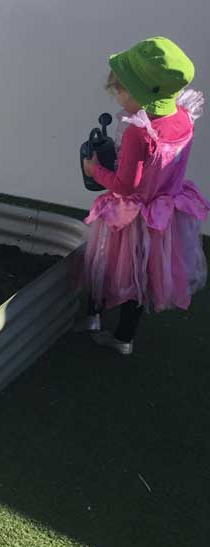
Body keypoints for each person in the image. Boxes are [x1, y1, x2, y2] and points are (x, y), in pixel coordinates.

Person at [79, 37, 209, 355]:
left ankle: (92, 318)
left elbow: (125, 186)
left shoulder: (139, 132)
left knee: (105, 265)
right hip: (165, 216)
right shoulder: (182, 117)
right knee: (143, 276)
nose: (118, 97)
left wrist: (94, 169)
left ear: (139, 93)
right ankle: (124, 337)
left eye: (120, 91)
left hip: (132, 218)